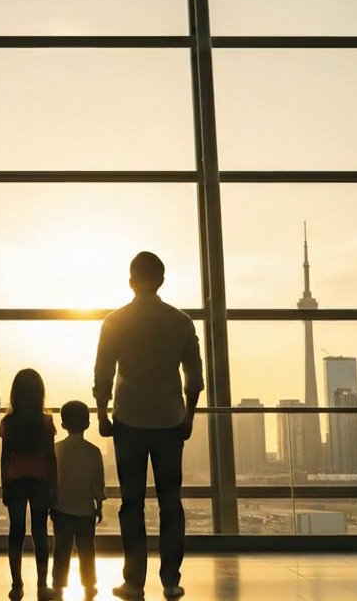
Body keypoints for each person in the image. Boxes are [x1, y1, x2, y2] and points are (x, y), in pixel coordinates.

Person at [94, 252, 204, 600]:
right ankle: (170, 580)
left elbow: (103, 373)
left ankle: (134, 582)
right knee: (171, 503)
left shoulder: (115, 321)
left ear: (131, 281)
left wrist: (101, 412)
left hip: (128, 420)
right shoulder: (181, 321)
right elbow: (195, 377)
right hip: (170, 421)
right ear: (161, 280)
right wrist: (189, 415)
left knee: (131, 504)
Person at [0, 369, 58, 601]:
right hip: (40, 481)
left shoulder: (8, 422)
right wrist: (55, 485)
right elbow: (51, 457)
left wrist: (4, 485)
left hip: (15, 481)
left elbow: (4, 457)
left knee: (16, 531)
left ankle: (17, 584)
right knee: (40, 532)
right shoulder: (46, 422)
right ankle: (43, 585)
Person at [50, 400, 105, 599]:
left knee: (61, 549)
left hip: (62, 508)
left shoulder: (56, 450)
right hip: (86, 511)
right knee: (87, 550)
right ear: (87, 424)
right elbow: (97, 484)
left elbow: (52, 481)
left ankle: (58, 584)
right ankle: (89, 584)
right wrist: (99, 505)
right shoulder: (94, 451)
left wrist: (52, 503)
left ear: (63, 424)